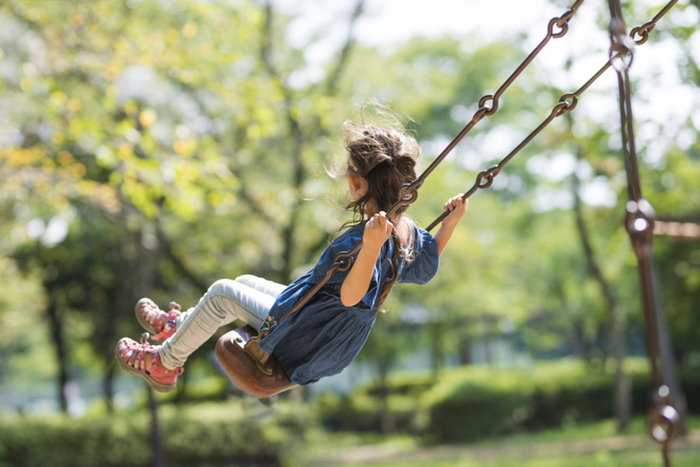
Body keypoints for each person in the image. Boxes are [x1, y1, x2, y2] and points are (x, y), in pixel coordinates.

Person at [115, 104, 468, 393]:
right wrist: (447, 226)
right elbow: (426, 268)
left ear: (355, 182)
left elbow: (352, 296)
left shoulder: (367, 239)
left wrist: (372, 249)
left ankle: (165, 362)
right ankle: (184, 324)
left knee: (223, 293)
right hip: (322, 328)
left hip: (307, 338)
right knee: (244, 280)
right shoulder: (403, 231)